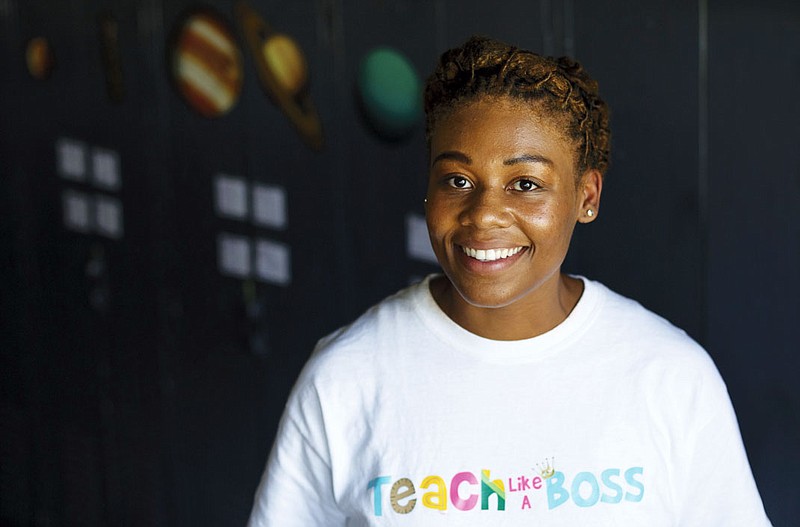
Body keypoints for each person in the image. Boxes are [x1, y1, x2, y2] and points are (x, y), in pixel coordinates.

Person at [247, 36, 771, 526]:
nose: (484, 215)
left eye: (525, 184)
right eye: (458, 180)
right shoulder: (346, 380)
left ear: (587, 196)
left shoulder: (670, 378)